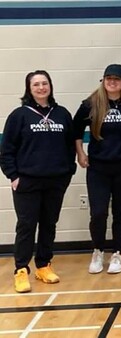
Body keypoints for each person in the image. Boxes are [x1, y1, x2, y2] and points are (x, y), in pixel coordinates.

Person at [0, 70, 76, 293]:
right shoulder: (19, 115)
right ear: (29, 89)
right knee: (26, 225)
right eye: (36, 85)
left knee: (49, 224)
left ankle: (43, 265)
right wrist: (13, 176)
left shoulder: (62, 114)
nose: (41, 88)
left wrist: (67, 172)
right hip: (27, 182)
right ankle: (21, 270)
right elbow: (6, 150)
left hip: (55, 180)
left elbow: (70, 145)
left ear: (50, 86)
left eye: (45, 83)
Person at [74, 64, 121, 274]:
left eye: (117, 79)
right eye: (109, 78)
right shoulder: (90, 104)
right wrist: (80, 153)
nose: (112, 82)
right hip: (98, 167)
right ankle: (98, 250)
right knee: (98, 212)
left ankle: (117, 253)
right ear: (103, 81)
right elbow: (76, 130)